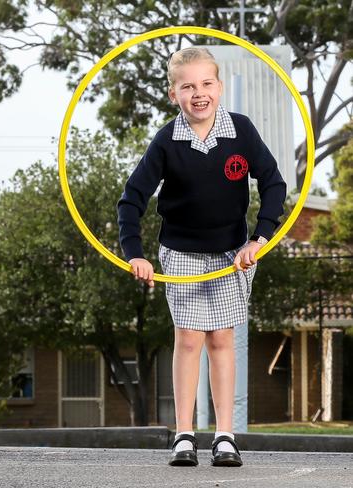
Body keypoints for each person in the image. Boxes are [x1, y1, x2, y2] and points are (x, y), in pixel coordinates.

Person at [117, 47, 286, 467]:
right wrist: (135, 254)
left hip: (233, 252)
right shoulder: (167, 140)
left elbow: (274, 184)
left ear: (220, 87)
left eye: (206, 84)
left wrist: (259, 239)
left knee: (222, 338)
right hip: (182, 250)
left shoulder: (241, 132)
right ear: (173, 93)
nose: (199, 93)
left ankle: (225, 435)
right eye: (188, 86)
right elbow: (131, 199)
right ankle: (184, 434)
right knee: (189, 338)